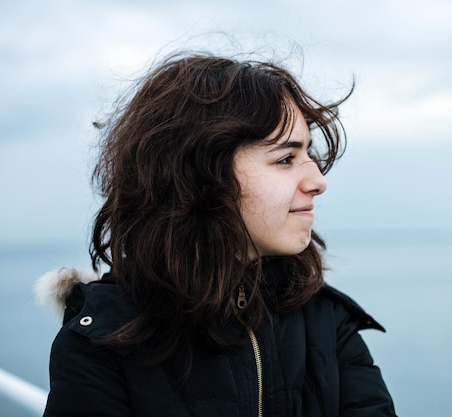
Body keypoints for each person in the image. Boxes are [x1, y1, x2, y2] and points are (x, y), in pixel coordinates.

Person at [36, 50, 398, 417]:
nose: (318, 181)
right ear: (199, 178)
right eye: (285, 159)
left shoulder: (323, 320)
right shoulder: (103, 342)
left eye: (309, 155)